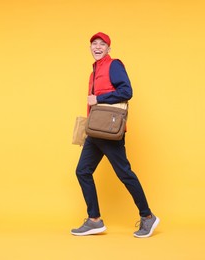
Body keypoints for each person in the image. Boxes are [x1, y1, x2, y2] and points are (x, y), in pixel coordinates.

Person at [71, 32, 159, 238]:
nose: (98, 47)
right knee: (82, 171)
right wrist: (87, 128)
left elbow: (127, 91)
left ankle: (147, 217)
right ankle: (94, 220)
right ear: (90, 48)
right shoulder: (93, 73)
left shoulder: (114, 65)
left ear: (109, 49)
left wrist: (99, 98)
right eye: (94, 44)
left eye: (102, 44)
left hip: (110, 132)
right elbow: (93, 106)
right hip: (95, 131)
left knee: (124, 173)